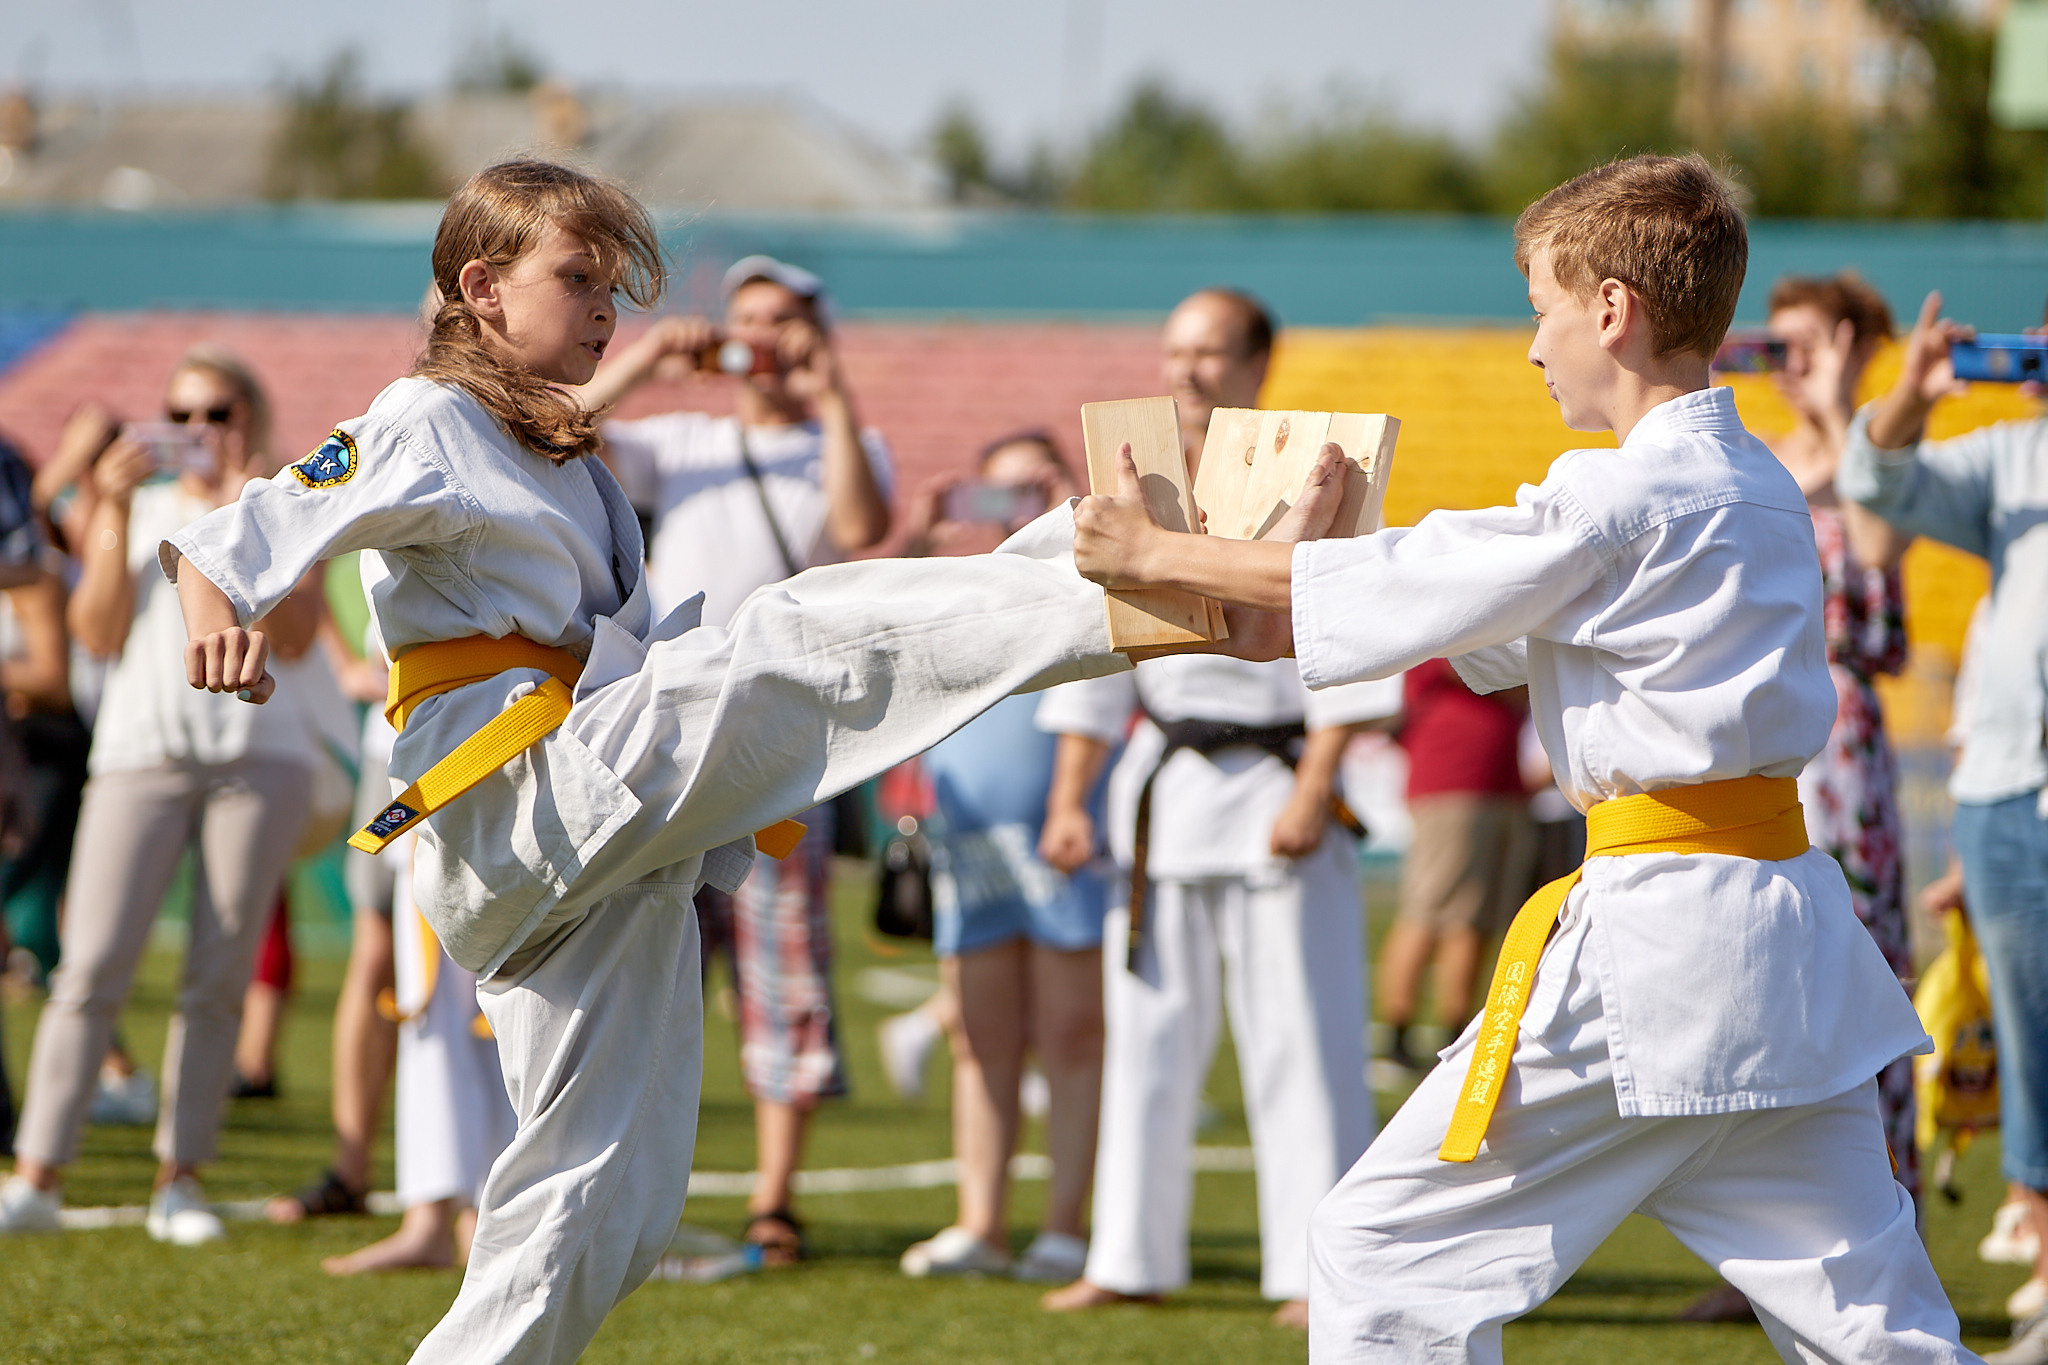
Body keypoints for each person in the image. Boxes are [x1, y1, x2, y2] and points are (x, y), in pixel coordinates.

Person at [161, 159, 1134, 1365]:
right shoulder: (430, 418)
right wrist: (216, 621)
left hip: (585, 822)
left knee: (603, 1206)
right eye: (576, 279)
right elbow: (230, 540)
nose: (604, 308)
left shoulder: (560, 449)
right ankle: (1111, 584)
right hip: (522, 791)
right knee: (793, 643)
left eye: (613, 287)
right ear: (481, 285)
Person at [1070, 153, 1976, 1363]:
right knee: (1874, 1326)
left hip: (1664, 944)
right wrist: (1325, 560)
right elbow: (1452, 600)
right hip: (1779, 940)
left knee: (1381, 1255)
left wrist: (1153, 547)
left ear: (1610, 308)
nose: (1533, 346)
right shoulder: (1747, 479)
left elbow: (1447, 578)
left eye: (1541, 309)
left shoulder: (1623, 499)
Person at [1038, 289, 1390, 1329]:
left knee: (1301, 1037)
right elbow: (1097, 664)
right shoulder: (1130, 479)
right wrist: (1070, 798)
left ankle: (1311, 1268)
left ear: (1257, 365)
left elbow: (1352, 652)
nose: (1187, 371)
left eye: (1210, 353)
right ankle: (1126, 1255)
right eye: (1174, 352)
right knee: (1145, 1036)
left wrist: (1318, 786)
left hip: (1279, 787)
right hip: (1165, 794)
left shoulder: (1328, 474)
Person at [583, 256, 892, 1262]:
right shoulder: (684, 438)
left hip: (777, 742)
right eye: (745, 319)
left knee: (783, 961)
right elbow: (562, 437)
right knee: (648, 957)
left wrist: (830, 389)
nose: (757, 338)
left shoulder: (845, 440)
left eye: (780, 322)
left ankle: (774, 1198)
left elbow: (860, 527)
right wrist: (644, 361)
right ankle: (632, 1185)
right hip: (671, 737)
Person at [0, 347, 327, 1243]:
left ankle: (181, 1176)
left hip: (259, 758)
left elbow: (297, 639)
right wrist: (102, 508)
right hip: (141, 751)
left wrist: (245, 510)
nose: (197, 431)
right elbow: (94, 632)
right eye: (181, 413)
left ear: (250, 420)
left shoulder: (283, 507)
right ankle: (36, 1174)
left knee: (218, 974)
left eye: (217, 413)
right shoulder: (133, 506)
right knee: (90, 967)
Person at [1842, 289, 2048, 1363]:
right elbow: (1875, 483)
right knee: (2030, 1038)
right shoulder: (2013, 456)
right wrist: (1908, 394)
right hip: (2008, 792)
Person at [889, 430, 1109, 1283]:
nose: (1017, 506)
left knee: (1071, 1034)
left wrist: (1072, 522)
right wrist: (920, 531)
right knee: (982, 1039)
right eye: (1002, 490)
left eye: (1036, 489)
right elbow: (876, 622)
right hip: (970, 836)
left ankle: (1064, 1228)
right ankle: (979, 1224)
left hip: (1064, 835)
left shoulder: (1085, 576)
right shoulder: (951, 583)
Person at [321, 832, 516, 1275]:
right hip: (432, 790)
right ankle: (438, 1217)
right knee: (433, 1002)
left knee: (501, 1001)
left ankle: (491, 1217)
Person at [1375, 659, 1531, 1076]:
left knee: (1479, 918)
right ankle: (1399, 1037)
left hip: (1496, 780)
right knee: (1437, 912)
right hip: (1455, 779)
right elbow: (1495, 669)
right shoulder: (1446, 619)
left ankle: (1453, 1031)